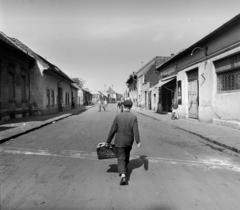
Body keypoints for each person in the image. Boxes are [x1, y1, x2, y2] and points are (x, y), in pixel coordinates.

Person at [106, 100, 141, 185]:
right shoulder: (133, 117)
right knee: (127, 154)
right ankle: (124, 168)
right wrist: (138, 141)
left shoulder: (118, 116)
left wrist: (108, 141)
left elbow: (112, 130)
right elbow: (135, 130)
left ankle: (123, 175)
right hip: (129, 141)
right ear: (130, 107)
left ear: (123, 106)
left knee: (121, 157)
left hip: (119, 141)